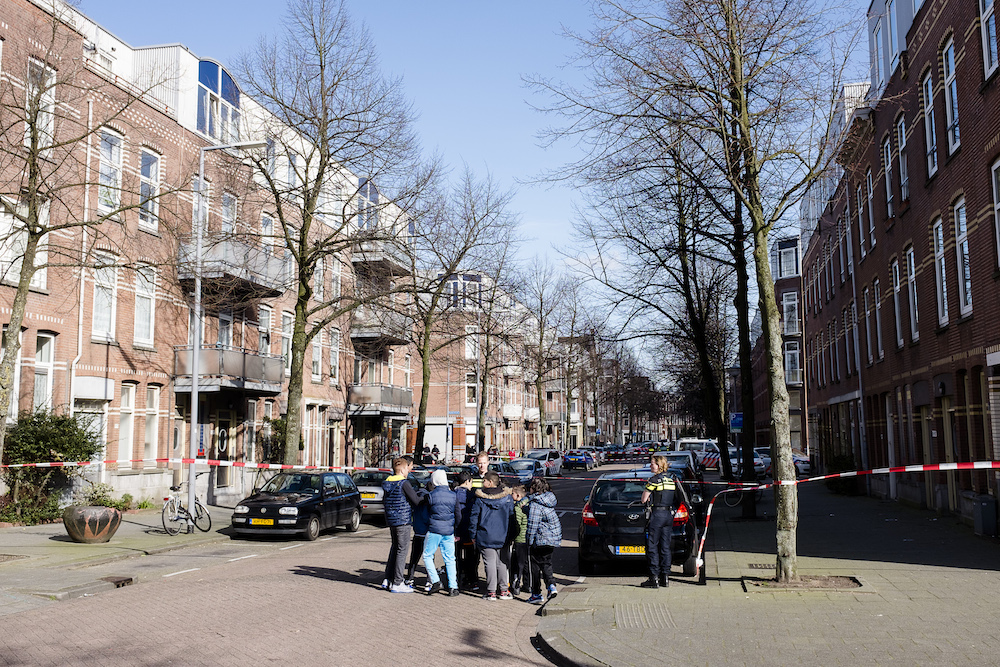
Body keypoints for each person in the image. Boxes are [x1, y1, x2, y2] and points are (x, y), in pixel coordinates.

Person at [381, 457, 425, 593]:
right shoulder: (404, 483)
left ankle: (388, 579)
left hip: (392, 520)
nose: (408, 471)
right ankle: (398, 582)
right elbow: (416, 501)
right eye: (407, 468)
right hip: (403, 520)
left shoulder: (387, 482)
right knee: (402, 550)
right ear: (403, 469)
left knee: (395, 548)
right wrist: (426, 496)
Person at [469, 471, 514, 600]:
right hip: (503, 535)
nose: (482, 483)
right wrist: (511, 535)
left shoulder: (480, 498)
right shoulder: (507, 498)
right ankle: (504, 590)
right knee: (502, 562)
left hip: (486, 535)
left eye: (484, 481)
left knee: (489, 563)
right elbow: (512, 518)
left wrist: (473, 534)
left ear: (490, 482)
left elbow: (474, 518)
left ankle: (491, 592)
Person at [421, 469, 461, 596]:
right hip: (448, 531)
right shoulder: (453, 495)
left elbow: (425, 514)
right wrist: (455, 529)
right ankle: (453, 587)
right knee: (450, 559)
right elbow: (458, 514)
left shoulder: (430, 495)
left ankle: (435, 580)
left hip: (434, 530)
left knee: (427, 555)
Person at [640, 454, 677, 588]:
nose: (651, 466)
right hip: (668, 515)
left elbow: (644, 499)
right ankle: (665, 577)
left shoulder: (654, 480)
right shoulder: (671, 479)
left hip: (657, 515)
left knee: (652, 546)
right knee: (665, 547)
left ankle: (653, 578)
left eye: (653, 464)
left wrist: (647, 496)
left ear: (659, 465)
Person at [525, 476, 562, 604]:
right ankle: (551, 586)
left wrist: (528, 541)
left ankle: (536, 594)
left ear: (533, 489)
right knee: (547, 563)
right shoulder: (548, 500)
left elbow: (532, 525)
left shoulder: (535, 504)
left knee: (534, 567)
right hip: (552, 539)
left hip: (540, 540)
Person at [454, 470, 479, 590]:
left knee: (456, 557)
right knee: (471, 558)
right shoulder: (471, 496)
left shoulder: (453, 494)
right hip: (468, 531)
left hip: (456, 532)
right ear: (468, 481)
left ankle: (457, 579)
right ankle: (472, 580)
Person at [404, 480, 432, 587]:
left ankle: (410, 578)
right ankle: (430, 580)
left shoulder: (416, 497)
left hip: (417, 532)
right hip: (427, 533)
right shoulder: (429, 499)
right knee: (429, 558)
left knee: (414, 557)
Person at [509, 484, 529, 596]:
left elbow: (517, 525)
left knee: (517, 564)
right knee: (525, 563)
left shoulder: (517, 508)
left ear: (517, 495)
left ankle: (515, 585)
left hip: (519, 539)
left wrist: (513, 536)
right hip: (526, 539)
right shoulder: (528, 505)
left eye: (512, 493)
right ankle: (527, 584)